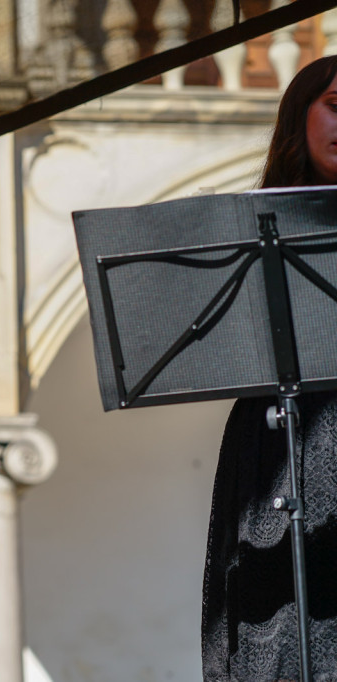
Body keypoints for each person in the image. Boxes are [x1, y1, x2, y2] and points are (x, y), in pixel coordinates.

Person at [202, 54, 337, 681]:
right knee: (278, 622)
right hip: (282, 440)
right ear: (297, 119)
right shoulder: (247, 234)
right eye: (335, 107)